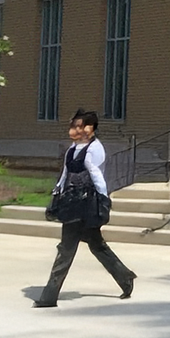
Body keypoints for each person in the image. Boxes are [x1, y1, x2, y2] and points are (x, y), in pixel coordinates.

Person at [38, 109, 135, 307]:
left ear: (90, 129)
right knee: (97, 245)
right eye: (73, 126)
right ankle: (125, 277)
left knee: (66, 248)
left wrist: (103, 198)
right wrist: (56, 194)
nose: (75, 130)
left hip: (86, 203)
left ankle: (49, 296)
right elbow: (65, 175)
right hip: (71, 201)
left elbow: (97, 175)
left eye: (79, 126)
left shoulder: (94, 149)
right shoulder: (72, 150)